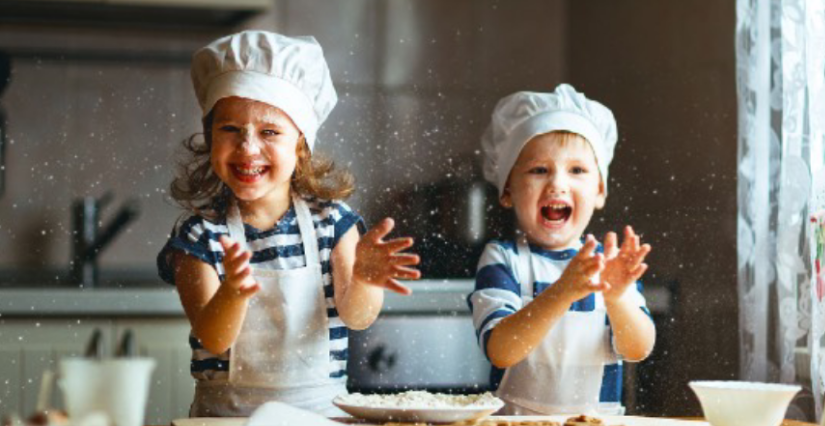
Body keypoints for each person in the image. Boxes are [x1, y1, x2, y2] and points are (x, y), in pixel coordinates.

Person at [156, 30, 420, 417]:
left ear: (301, 145)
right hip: (226, 420)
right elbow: (213, 337)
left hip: (320, 417)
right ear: (210, 137)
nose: (247, 148)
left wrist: (363, 278)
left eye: (269, 132)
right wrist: (232, 293)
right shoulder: (199, 237)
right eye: (229, 129)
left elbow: (357, 317)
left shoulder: (334, 223)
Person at [468, 84, 656, 415]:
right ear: (507, 189)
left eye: (577, 171)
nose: (557, 183)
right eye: (539, 170)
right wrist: (562, 292)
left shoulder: (609, 266)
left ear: (599, 191)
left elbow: (638, 349)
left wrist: (616, 298)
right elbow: (500, 349)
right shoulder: (503, 259)